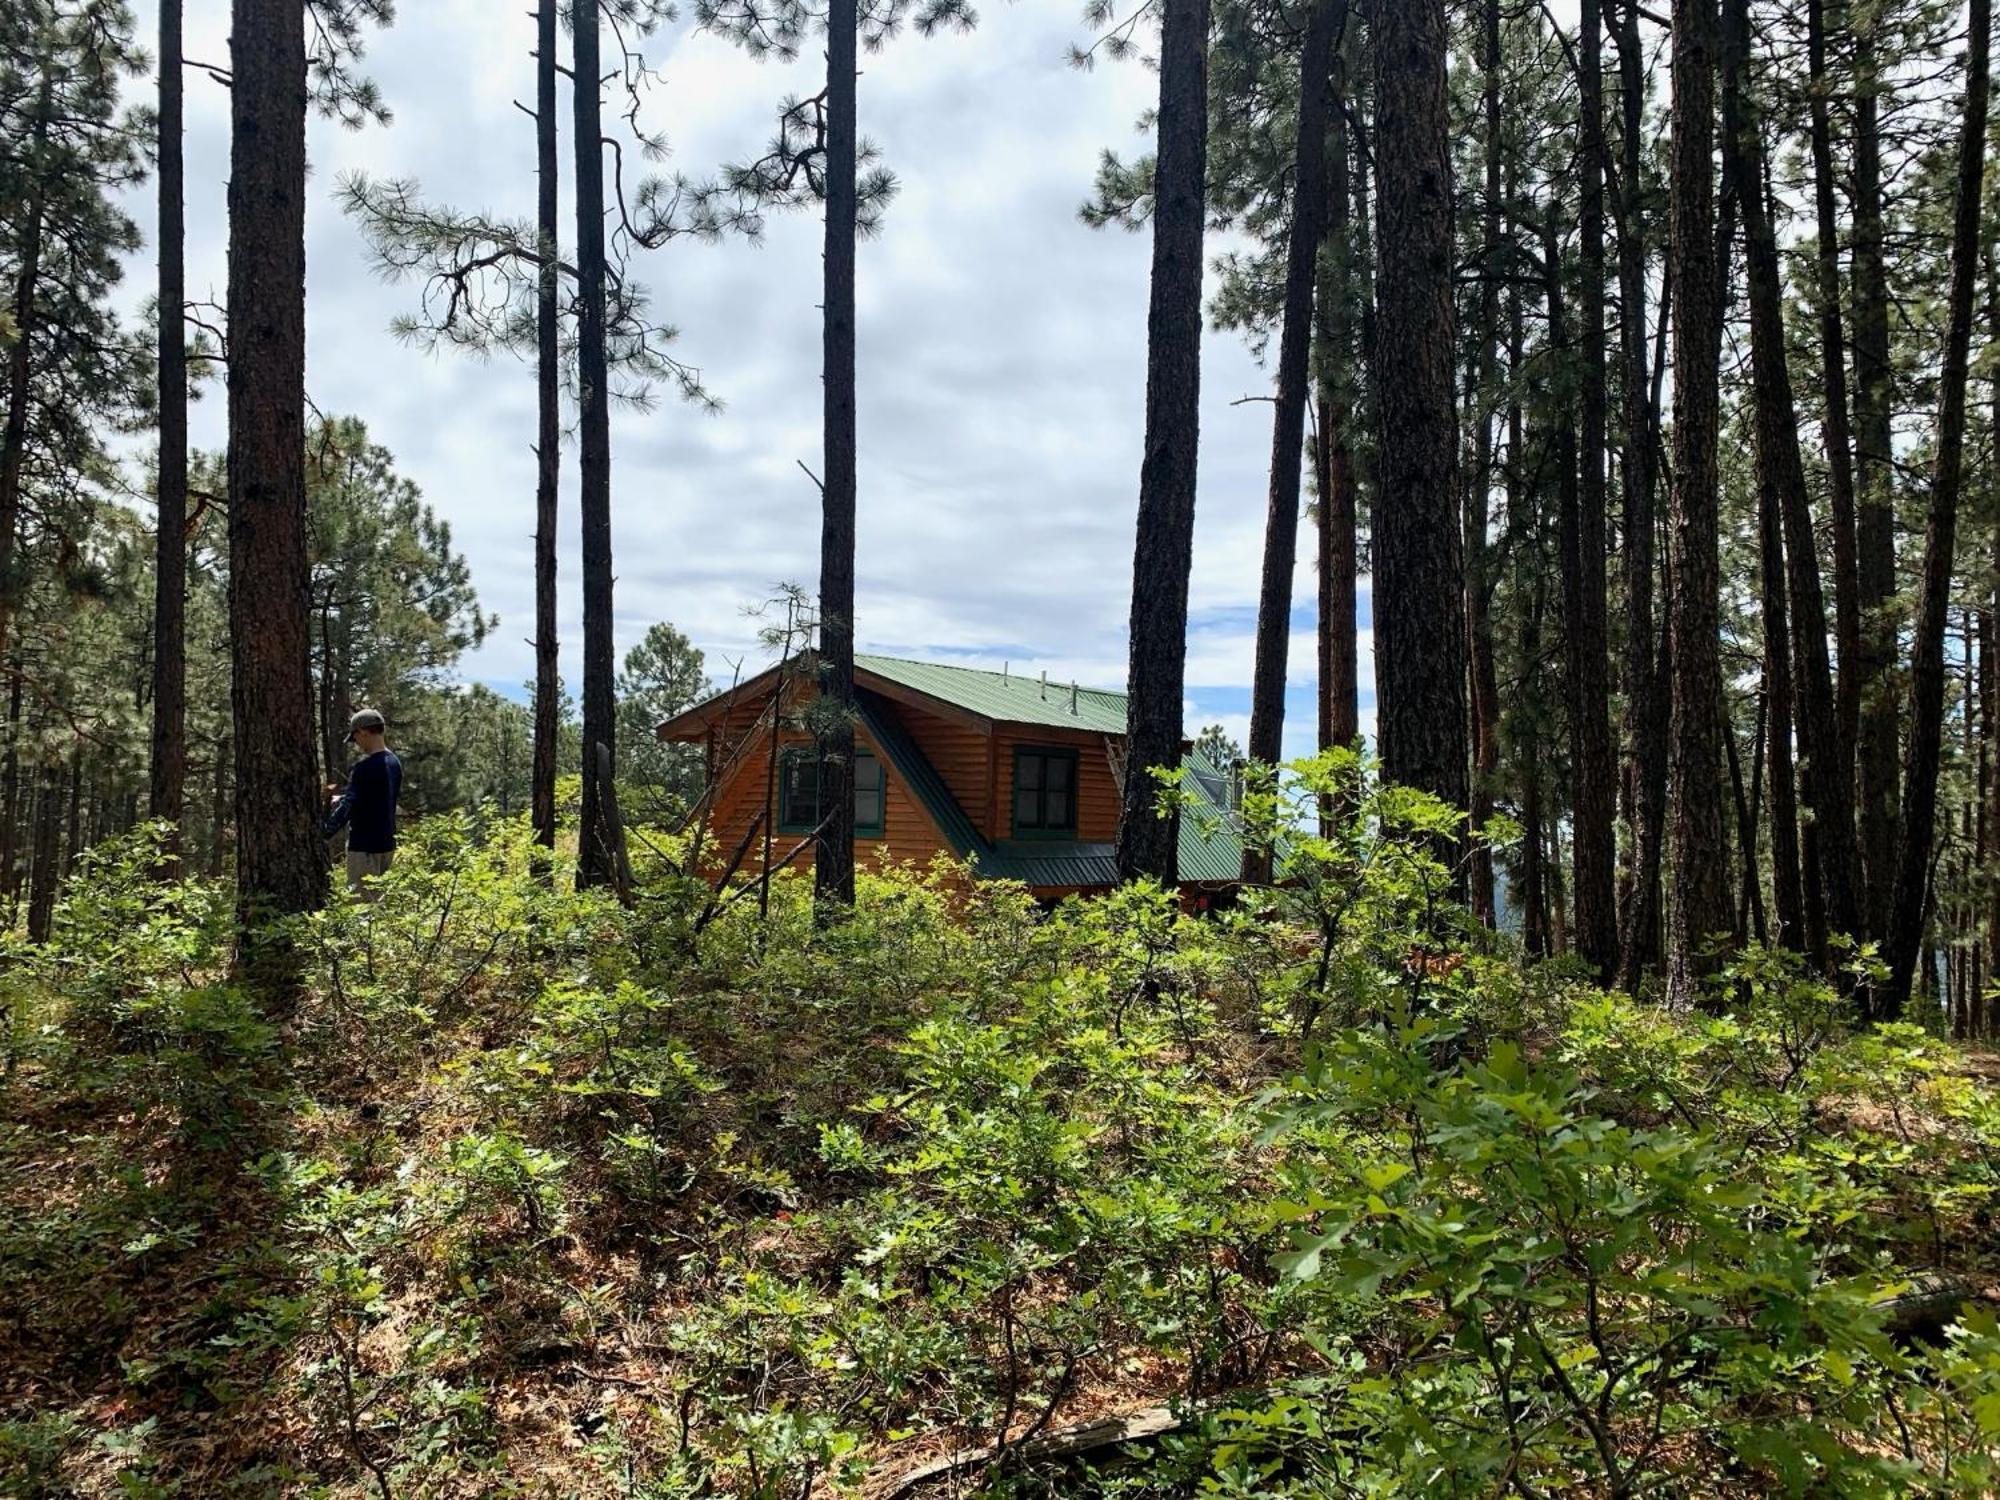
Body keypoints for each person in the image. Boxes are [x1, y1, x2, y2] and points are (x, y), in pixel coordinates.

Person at [324, 708, 403, 899]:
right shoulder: (394, 763)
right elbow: (376, 796)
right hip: (386, 845)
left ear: (363, 732)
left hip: (364, 847)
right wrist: (344, 798)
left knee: (361, 908)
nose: (357, 743)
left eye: (355, 738)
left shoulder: (364, 768)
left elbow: (349, 807)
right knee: (379, 903)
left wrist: (324, 832)